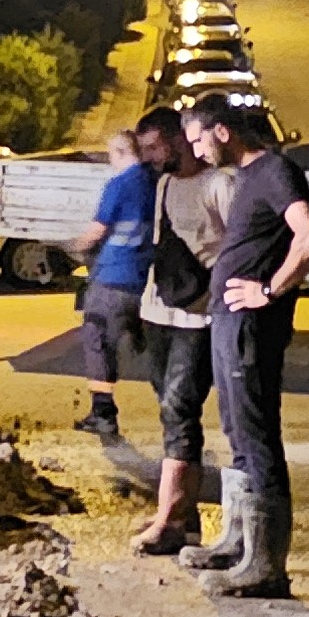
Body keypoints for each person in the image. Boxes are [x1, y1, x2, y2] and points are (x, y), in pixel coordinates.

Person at [180, 96, 309, 598]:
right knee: (237, 430)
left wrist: (268, 290)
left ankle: (266, 566)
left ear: (221, 131)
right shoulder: (247, 178)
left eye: (199, 139)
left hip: (250, 328)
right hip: (229, 322)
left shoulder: (275, 172)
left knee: (256, 433)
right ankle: (238, 544)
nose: (196, 153)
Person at [130, 122, 227, 556]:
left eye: (154, 147)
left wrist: (216, 295)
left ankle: (171, 518)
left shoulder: (218, 184)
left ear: (176, 140)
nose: (149, 156)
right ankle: (180, 517)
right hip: (159, 310)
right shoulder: (166, 183)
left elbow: (237, 248)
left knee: (179, 407)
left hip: (198, 317)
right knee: (168, 409)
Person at [69, 110, 184, 439]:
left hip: (112, 278)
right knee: (151, 350)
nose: (110, 161)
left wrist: (69, 248)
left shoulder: (119, 185)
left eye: (111, 155)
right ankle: (173, 414)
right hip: (142, 281)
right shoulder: (154, 181)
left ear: (121, 153)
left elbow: (96, 232)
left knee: (96, 338)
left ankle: (103, 412)